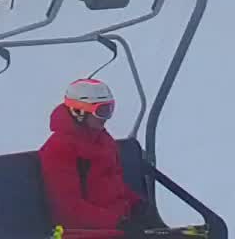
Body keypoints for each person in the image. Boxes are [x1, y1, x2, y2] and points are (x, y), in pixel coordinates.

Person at [38, 78, 164, 236]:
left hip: (116, 227)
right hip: (84, 232)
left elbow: (113, 183)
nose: (106, 118)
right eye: (102, 111)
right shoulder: (59, 149)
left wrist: (138, 205)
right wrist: (119, 223)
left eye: (110, 110)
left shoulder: (102, 139)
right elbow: (69, 210)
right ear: (79, 111)